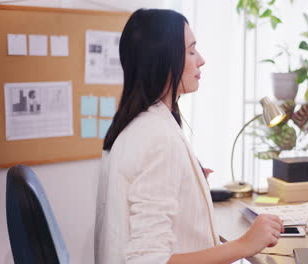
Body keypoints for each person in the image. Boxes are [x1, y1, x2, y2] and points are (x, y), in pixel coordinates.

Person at [94, 9, 283, 264]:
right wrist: (245, 245)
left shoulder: (136, 126)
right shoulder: (157, 136)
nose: (201, 60)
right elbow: (148, 261)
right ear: (163, 59)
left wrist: (187, 183)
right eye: (191, 51)